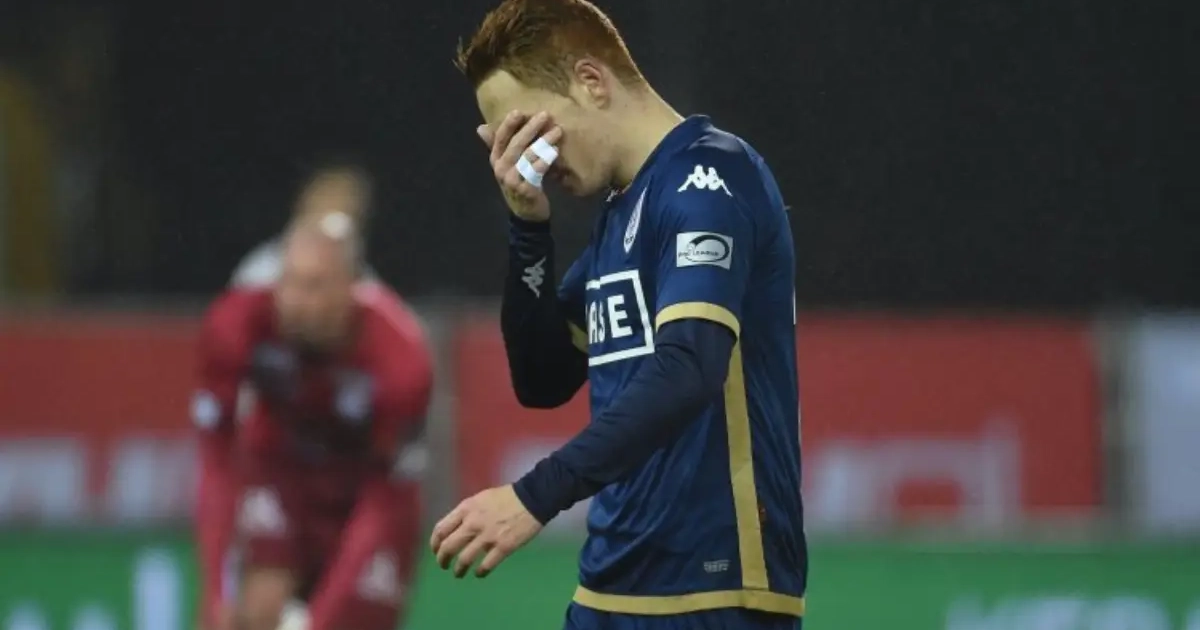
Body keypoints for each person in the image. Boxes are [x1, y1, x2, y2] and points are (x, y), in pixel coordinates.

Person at [430, 1, 806, 629]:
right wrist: (528, 226)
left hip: (715, 589)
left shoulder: (710, 179)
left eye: (529, 130)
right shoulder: (623, 212)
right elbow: (542, 380)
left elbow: (689, 367)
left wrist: (535, 496)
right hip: (610, 586)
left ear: (591, 81)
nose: (527, 156)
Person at [194, 211, 432, 630]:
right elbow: (216, 458)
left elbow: (385, 497)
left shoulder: (401, 359)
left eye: (314, 286)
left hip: (366, 498)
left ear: (350, 289)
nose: (294, 301)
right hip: (282, 474)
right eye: (288, 282)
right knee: (256, 612)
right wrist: (216, 592)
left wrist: (320, 621)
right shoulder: (238, 325)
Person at [231, 163, 374, 288]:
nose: (334, 209)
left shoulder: (366, 286)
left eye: (347, 204)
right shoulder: (260, 273)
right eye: (327, 199)